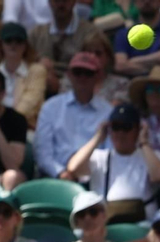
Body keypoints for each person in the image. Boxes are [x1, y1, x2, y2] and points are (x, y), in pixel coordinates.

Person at [67, 103, 160, 221]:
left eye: (126, 127)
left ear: (137, 130)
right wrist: (98, 137)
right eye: (115, 127)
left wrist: (144, 142)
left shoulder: (150, 156)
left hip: (142, 223)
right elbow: (73, 168)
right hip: (106, 224)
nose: (120, 133)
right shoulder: (99, 157)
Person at [33, 52, 109, 180]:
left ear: (98, 76)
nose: (82, 77)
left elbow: (109, 153)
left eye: (88, 73)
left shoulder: (108, 112)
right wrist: (61, 173)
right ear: (69, 74)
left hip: (94, 179)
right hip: (54, 178)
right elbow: (42, 152)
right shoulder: (51, 107)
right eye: (77, 72)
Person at [0, 22, 50, 127]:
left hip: (26, 128)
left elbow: (30, 104)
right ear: (1, 45)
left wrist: (4, 124)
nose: (13, 45)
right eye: (8, 40)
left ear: (25, 45)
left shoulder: (37, 71)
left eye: (19, 41)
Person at [31, 0, 97, 81]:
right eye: (56, 1)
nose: (61, 4)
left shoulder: (90, 33)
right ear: (49, 2)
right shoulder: (36, 34)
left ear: (74, 2)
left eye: (65, 0)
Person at [116, 0, 160, 73]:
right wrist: (154, 67)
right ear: (135, 2)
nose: (147, 1)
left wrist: (133, 61)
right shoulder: (123, 34)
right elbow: (120, 65)